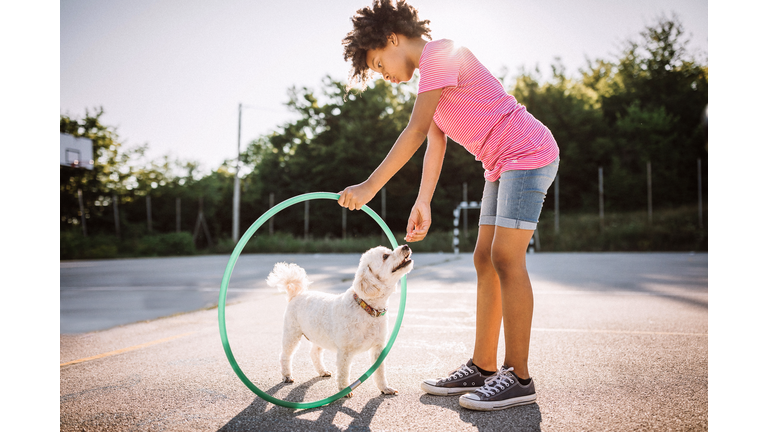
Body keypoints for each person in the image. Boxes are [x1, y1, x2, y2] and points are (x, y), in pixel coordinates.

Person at [337, 0, 559, 411]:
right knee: (483, 259)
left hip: (527, 151)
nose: (382, 74)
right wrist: (423, 201)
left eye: (378, 62)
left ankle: (519, 376)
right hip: (499, 164)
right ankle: (483, 365)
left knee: (505, 257)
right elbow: (434, 144)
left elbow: (416, 129)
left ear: (392, 39)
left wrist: (369, 185)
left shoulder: (440, 53)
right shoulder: (431, 80)